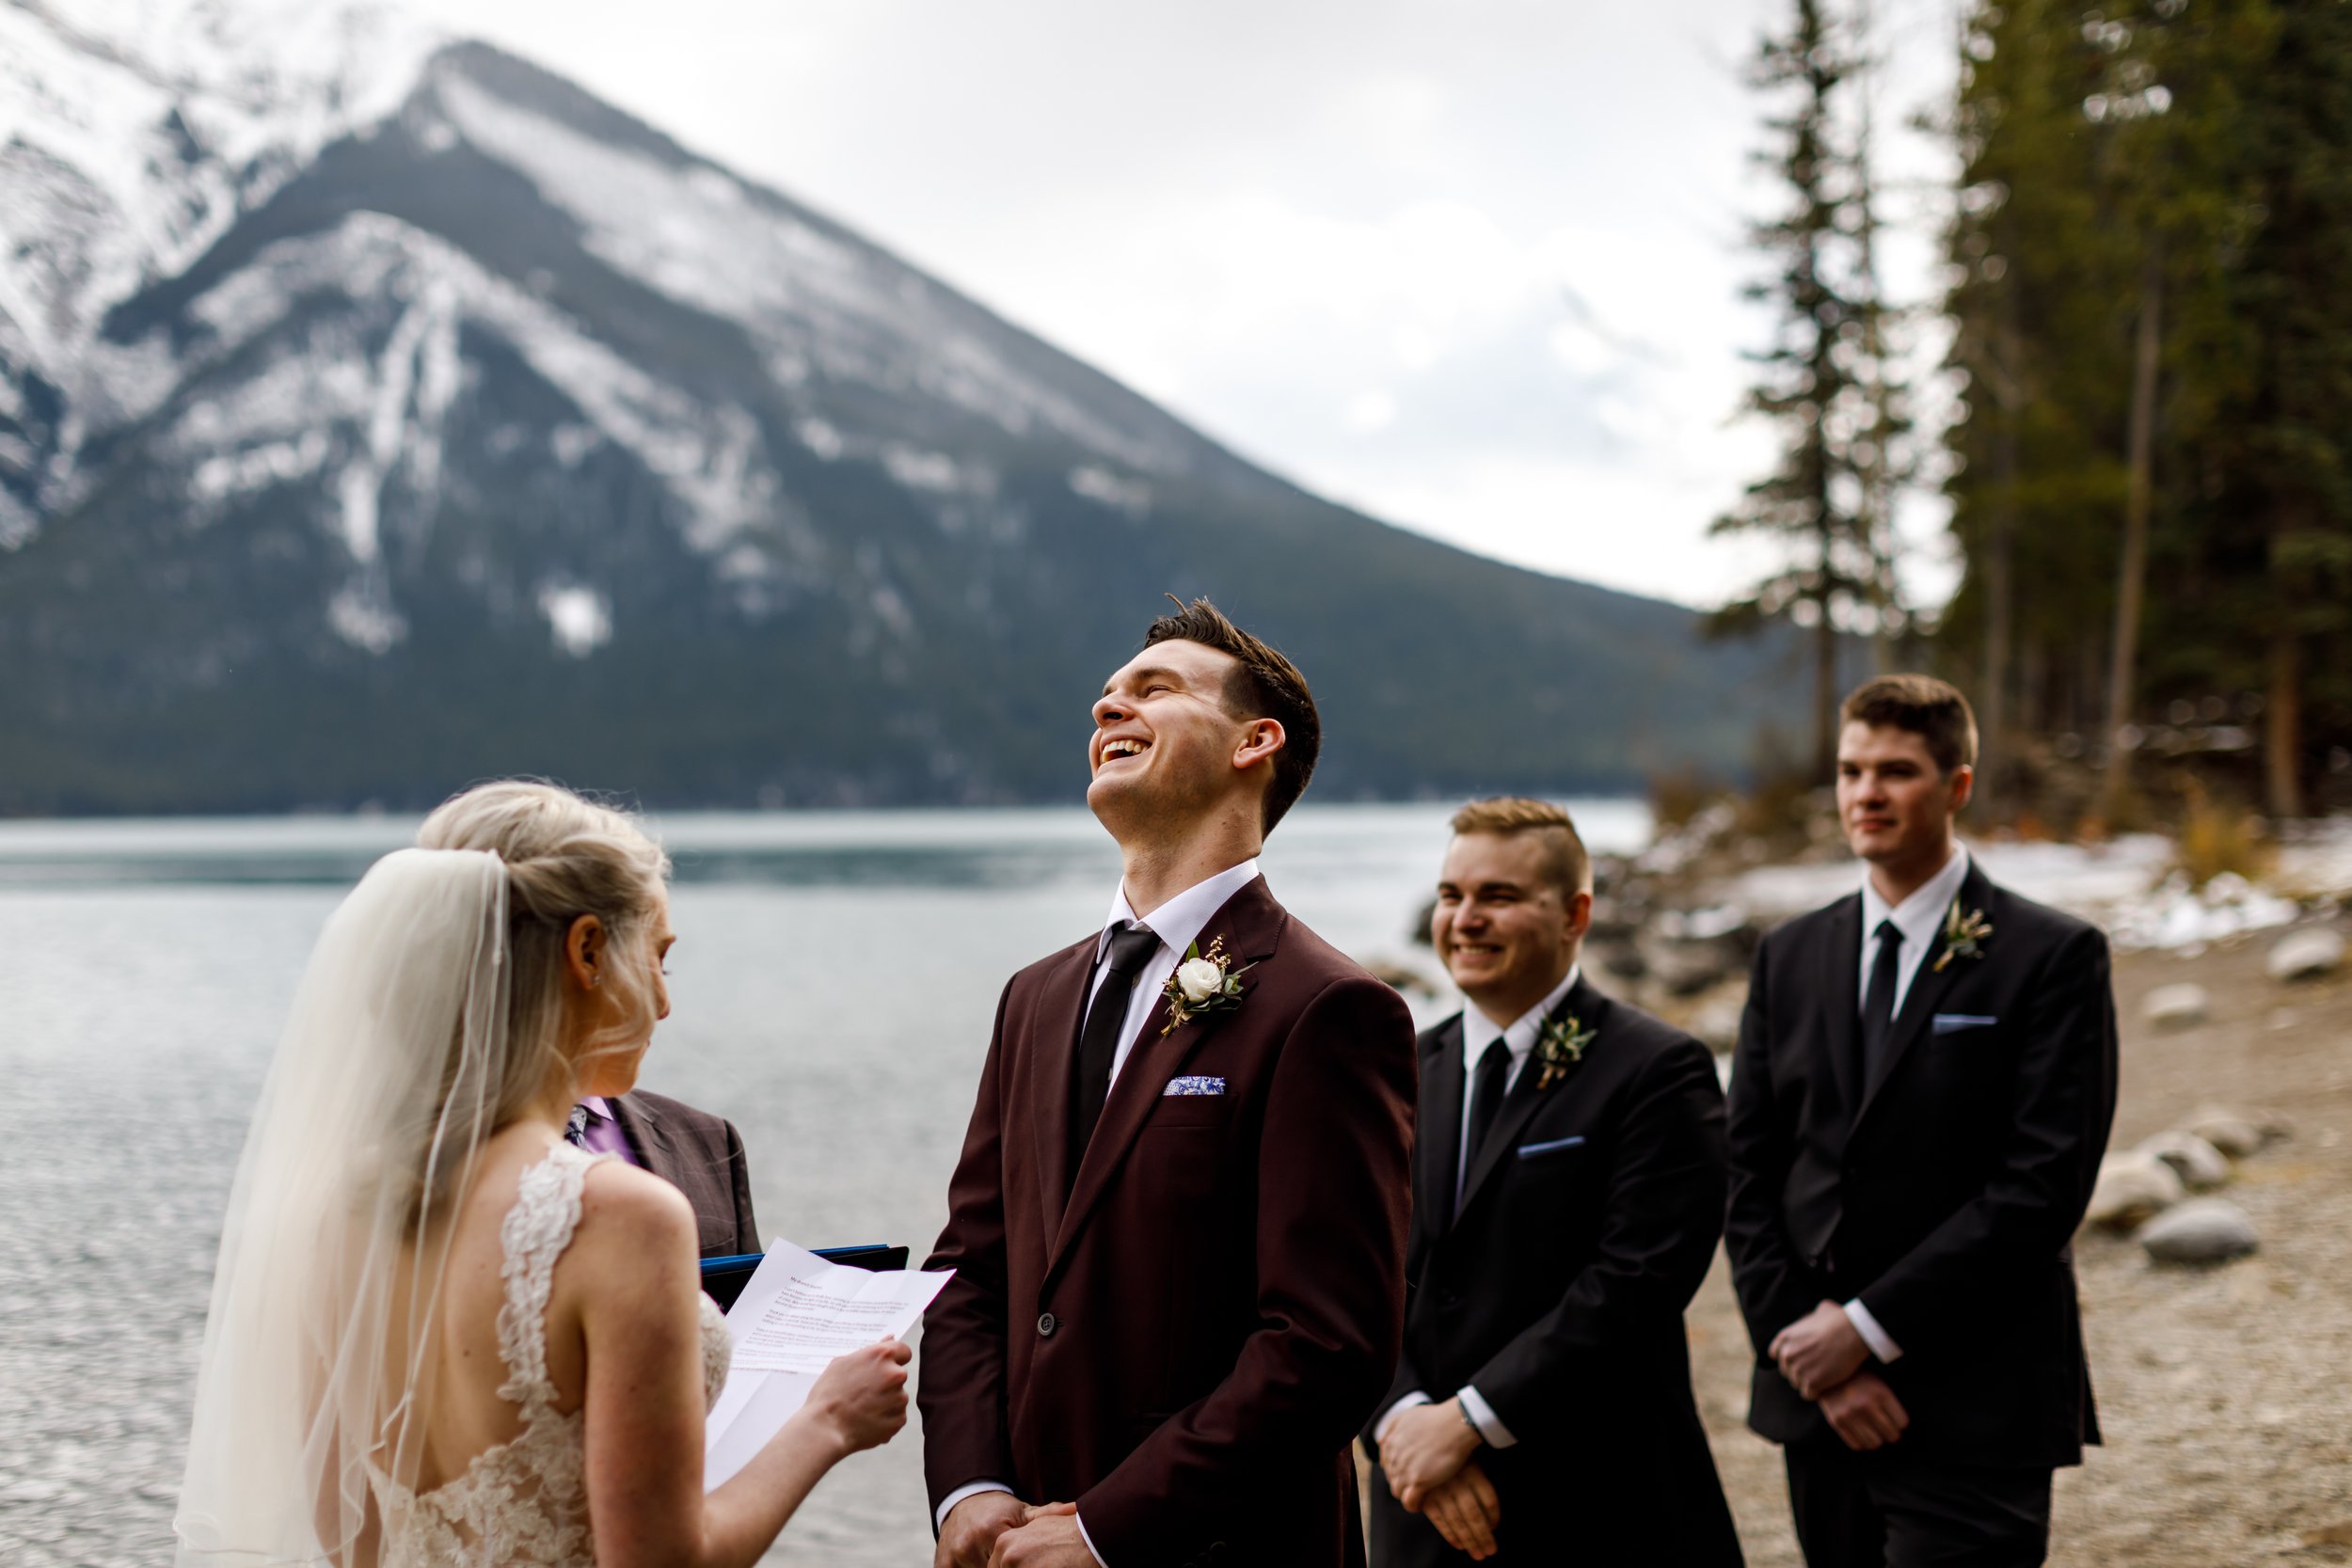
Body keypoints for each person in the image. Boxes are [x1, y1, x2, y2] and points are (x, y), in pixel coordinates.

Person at [175, 781, 909, 1568]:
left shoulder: (335, 1213)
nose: (663, 1002)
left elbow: (349, 1537)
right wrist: (825, 1421)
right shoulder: (622, 1215)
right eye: (654, 958)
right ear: (587, 950)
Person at [921, 599, 1418, 1568]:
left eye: (1153, 689)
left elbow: (1327, 1342)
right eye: (1105, 696)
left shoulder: (1328, 1006)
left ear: (1254, 741)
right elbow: (971, 1272)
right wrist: (970, 1484)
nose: (1109, 707)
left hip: (1219, 1543)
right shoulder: (1034, 996)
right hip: (1015, 1541)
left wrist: (1110, 1527)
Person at [1724, 676, 2119, 1568]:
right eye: (1850, 769)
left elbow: (2042, 1185)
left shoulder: (2051, 955)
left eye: (1896, 770)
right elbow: (1749, 1169)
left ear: (1958, 785)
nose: (1866, 792)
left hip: (1978, 1398)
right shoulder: (1790, 954)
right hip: (1817, 1403)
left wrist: (1864, 1331)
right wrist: (1810, 1350)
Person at [1366, 799, 1741, 1568]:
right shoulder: (1399, 1069)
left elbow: (1636, 1279)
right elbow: (1354, 1270)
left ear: (1575, 913)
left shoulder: (1656, 1069)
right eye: (1450, 895)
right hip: (1422, 1507)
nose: (1465, 919)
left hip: (1599, 1504)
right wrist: (1401, 1422)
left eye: (1498, 897)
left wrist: (1467, 1422)